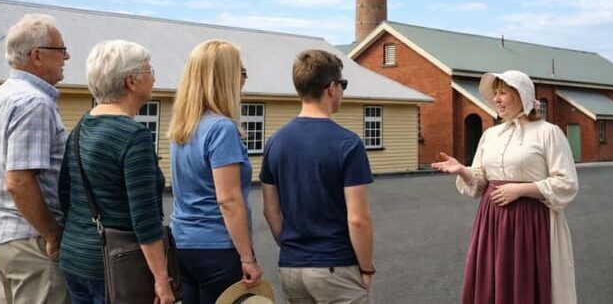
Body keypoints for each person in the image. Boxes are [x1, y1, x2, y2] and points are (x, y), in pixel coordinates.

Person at [432, 70, 578, 304]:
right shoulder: (491, 135)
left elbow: (566, 183)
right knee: (492, 281)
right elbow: (480, 181)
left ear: (522, 96)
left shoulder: (548, 133)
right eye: (495, 94)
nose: (497, 99)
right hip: (491, 221)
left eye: (504, 93)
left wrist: (520, 190)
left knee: (525, 281)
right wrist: (461, 169)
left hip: (530, 224)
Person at [57, 40, 175, 304]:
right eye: (149, 71)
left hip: (75, 257)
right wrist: (161, 279)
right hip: (117, 267)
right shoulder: (133, 136)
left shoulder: (80, 127)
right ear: (131, 82)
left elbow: (65, 193)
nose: (154, 79)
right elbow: (144, 218)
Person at [0, 14, 72, 304]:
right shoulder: (34, 103)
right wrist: (52, 234)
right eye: (61, 50)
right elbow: (19, 181)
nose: (67, 56)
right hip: (33, 242)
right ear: (37, 56)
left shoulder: (1, 95)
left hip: (6, 236)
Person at [260, 49, 375, 304]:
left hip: (291, 269)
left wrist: (293, 250)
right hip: (336, 266)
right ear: (331, 88)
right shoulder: (348, 144)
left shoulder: (274, 142)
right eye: (342, 84)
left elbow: (270, 210)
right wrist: (366, 269)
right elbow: (358, 219)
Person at [169, 40, 262, 304]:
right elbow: (229, 200)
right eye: (240, 72)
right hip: (217, 249)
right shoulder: (222, 129)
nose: (244, 79)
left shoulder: (181, 128)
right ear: (225, 78)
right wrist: (247, 257)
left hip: (183, 245)